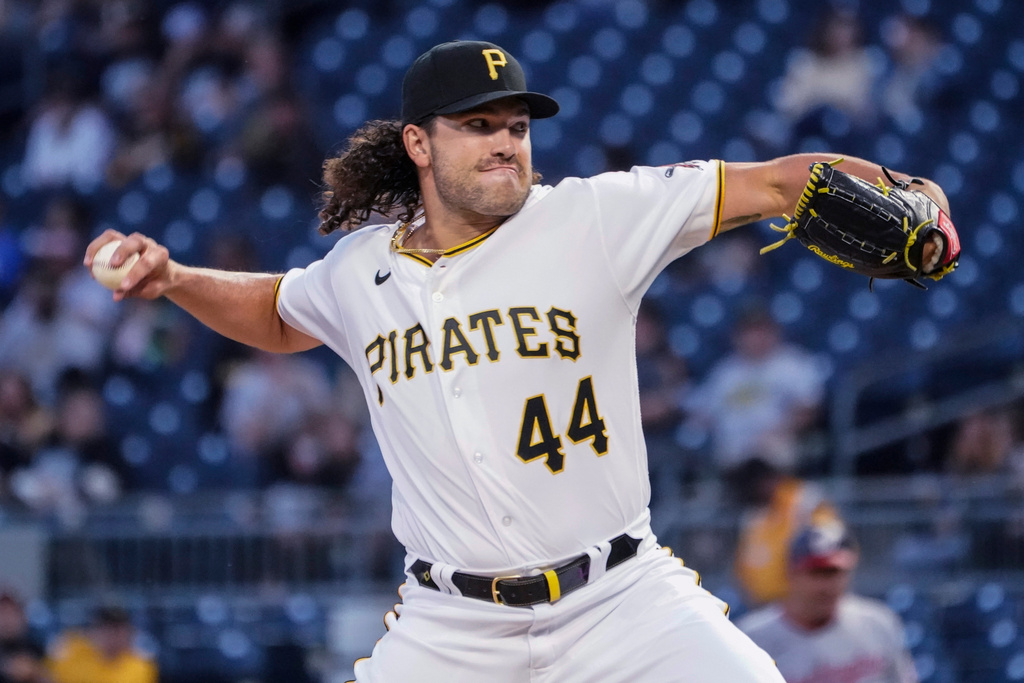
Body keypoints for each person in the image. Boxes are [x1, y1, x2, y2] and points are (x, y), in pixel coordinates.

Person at [84, 40, 950, 682]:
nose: (506, 141)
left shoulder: (594, 217)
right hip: (449, 626)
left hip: (620, 602)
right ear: (419, 145)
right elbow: (279, 314)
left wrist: (906, 186)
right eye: (477, 126)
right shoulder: (361, 267)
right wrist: (177, 279)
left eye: (517, 125)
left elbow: (773, 181)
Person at [738, 520, 919, 683]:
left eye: (834, 573)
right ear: (791, 574)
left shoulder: (878, 623)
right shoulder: (751, 639)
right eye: (815, 573)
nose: (826, 585)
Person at [46, 606, 156, 683]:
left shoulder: (141, 666)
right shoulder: (71, 655)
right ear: (93, 631)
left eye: (118, 630)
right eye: (106, 629)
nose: (112, 636)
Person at [0, 589, 51, 683]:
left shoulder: (36, 646)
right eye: (2, 613)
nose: (7, 620)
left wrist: (35, 673)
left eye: (11, 613)